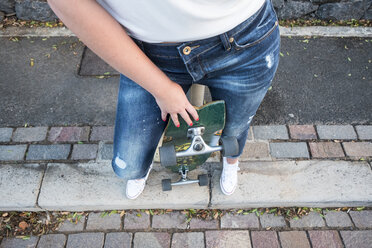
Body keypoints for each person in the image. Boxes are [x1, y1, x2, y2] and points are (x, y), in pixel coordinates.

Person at [47, 0, 280, 199]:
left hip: (245, 39)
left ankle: (230, 160)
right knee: (128, 166)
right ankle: (141, 166)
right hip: (150, 54)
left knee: (236, 125)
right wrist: (162, 90)